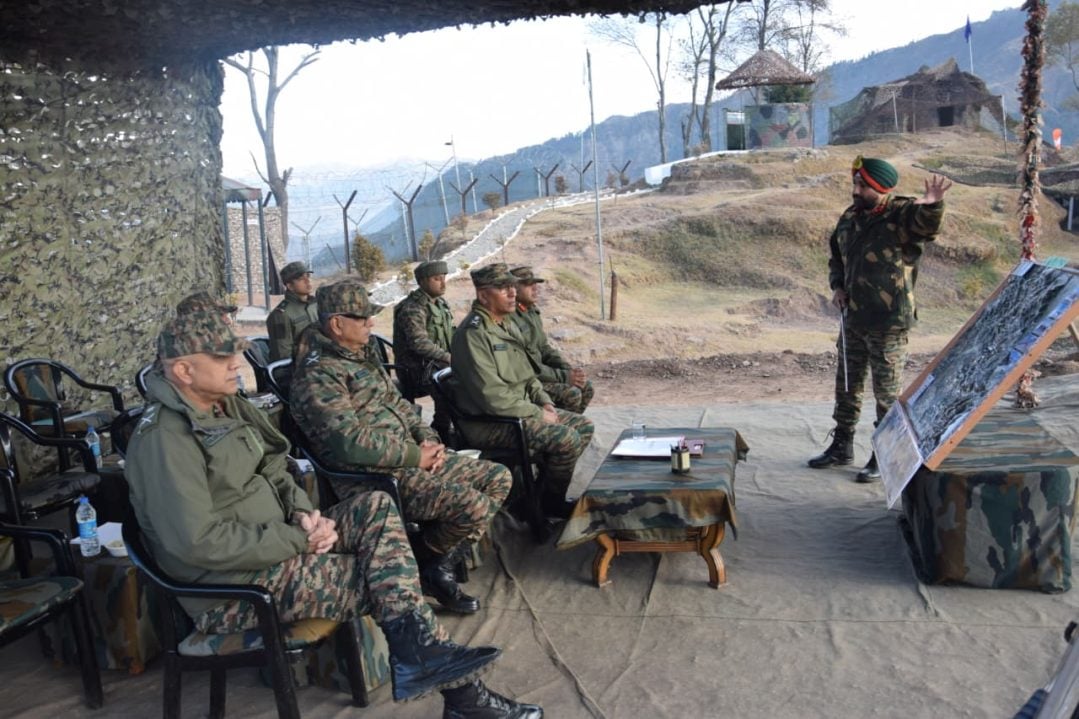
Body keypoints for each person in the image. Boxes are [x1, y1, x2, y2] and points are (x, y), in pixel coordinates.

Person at [125, 309, 541, 718]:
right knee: (384, 580)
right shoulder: (165, 440)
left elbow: (275, 463)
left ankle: (436, 673)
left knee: (377, 508)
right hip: (233, 585)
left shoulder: (225, 406)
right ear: (183, 371)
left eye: (234, 352)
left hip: (278, 541)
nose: (236, 364)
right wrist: (298, 540)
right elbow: (197, 543)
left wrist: (306, 514)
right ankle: (464, 699)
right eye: (221, 358)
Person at [289, 280, 511, 615]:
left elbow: (400, 404)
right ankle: (427, 563)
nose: (370, 324)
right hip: (374, 475)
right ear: (337, 324)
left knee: (499, 478)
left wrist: (428, 440)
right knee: (473, 506)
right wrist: (413, 456)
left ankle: (429, 561)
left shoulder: (360, 357)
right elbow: (347, 442)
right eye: (362, 319)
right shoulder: (319, 373)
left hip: (411, 458)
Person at [808, 156, 952, 482]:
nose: (856, 191)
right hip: (853, 319)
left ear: (881, 189)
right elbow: (837, 258)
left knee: (886, 394)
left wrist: (933, 205)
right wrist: (838, 287)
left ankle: (883, 455)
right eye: (855, 184)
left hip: (889, 322)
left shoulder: (900, 215)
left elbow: (926, 225)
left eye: (863, 186)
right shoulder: (849, 219)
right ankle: (842, 445)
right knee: (847, 384)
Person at [450, 263, 594, 519]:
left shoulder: (505, 324)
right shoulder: (473, 335)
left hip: (517, 411)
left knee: (583, 426)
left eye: (512, 287)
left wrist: (545, 402)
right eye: (503, 288)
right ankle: (544, 504)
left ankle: (541, 497)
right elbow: (492, 397)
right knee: (566, 438)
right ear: (483, 296)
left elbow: (529, 375)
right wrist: (537, 413)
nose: (512, 292)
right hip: (491, 422)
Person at [510, 266, 594, 413]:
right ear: (514, 289)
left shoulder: (531, 311)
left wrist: (567, 369)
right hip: (528, 380)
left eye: (535, 284)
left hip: (542, 374)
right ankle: (559, 429)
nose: (535, 288)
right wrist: (564, 376)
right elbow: (526, 365)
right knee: (572, 393)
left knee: (587, 387)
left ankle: (570, 426)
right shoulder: (510, 318)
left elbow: (544, 348)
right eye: (529, 284)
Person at [393, 260, 455, 441]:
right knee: (451, 390)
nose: (443, 283)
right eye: (437, 279)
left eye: (444, 277)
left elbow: (450, 332)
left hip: (438, 364)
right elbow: (419, 343)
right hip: (415, 369)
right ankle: (438, 435)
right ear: (422, 281)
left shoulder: (440, 304)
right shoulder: (412, 308)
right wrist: (449, 357)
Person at [266, 260, 317, 362]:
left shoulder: (315, 304)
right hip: (301, 369)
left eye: (308, 276)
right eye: (301, 279)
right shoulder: (280, 316)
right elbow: (283, 355)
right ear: (290, 286)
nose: (307, 281)